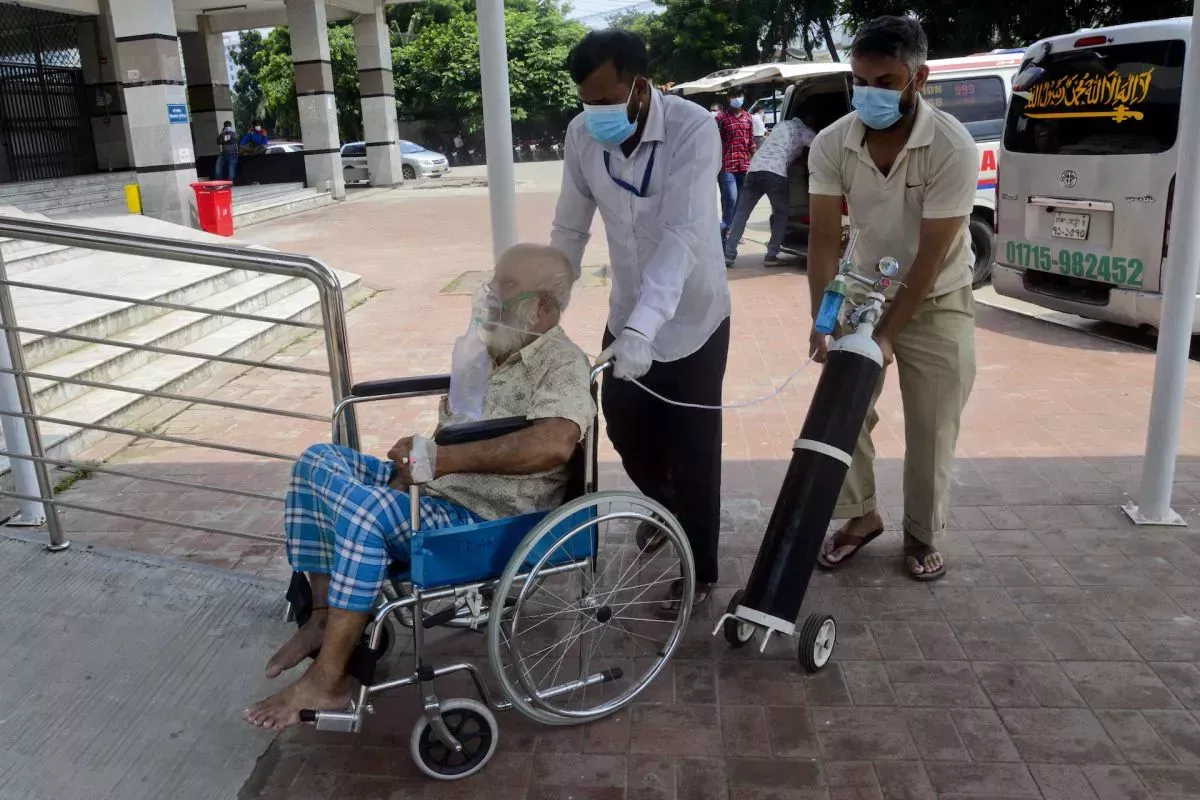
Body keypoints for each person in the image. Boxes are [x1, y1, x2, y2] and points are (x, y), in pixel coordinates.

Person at [243, 244, 595, 731]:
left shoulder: (562, 363)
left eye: (508, 287)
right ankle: (325, 617)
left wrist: (443, 459)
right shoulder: (492, 345)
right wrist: (422, 455)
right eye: (495, 282)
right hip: (437, 487)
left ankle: (329, 677)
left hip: (488, 516)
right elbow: (456, 426)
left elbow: (554, 443)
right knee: (314, 464)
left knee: (364, 512)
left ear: (545, 307)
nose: (492, 295)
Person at [550, 29, 731, 612]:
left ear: (640, 87)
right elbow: (569, 230)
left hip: (694, 313)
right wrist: (543, 306)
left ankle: (699, 570)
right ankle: (666, 508)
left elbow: (683, 234)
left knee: (695, 447)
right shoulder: (582, 136)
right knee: (625, 425)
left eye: (607, 100)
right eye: (587, 101)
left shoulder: (691, 128)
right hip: (627, 309)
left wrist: (644, 330)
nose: (596, 113)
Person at [806, 16, 977, 581]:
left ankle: (923, 533)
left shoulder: (951, 145)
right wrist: (825, 320)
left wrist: (885, 338)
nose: (870, 93)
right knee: (843, 406)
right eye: (861, 81)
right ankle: (859, 518)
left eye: (886, 80)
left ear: (918, 78)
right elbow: (825, 237)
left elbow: (931, 258)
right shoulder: (833, 143)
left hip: (938, 296)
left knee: (932, 423)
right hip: (862, 292)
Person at [723, 114, 816, 268]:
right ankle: (771, 255)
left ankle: (729, 254)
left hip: (754, 169)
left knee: (742, 213)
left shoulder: (780, 125)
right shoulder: (803, 130)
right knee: (781, 214)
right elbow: (819, 144)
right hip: (776, 172)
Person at [715, 90, 755, 242]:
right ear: (728, 98)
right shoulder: (721, 118)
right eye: (733, 96)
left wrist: (755, 159)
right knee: (730, 198)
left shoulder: (748, 118)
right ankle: (726, 228)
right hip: (727, 165)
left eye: (739, 95)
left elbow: (751, 141)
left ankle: (734, 231)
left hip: (744, 164)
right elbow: (715, 141)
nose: (736, 99)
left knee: (740, 200)